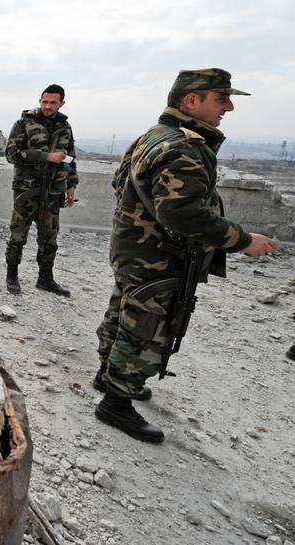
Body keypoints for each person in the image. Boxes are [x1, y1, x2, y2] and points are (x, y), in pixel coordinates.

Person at [93, 68, 278, 443]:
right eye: (221, 98)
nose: (228, 107)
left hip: (134, 248)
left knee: (124, 309)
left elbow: (120, 183)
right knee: (146, 326)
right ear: (192, 101)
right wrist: (243, 240)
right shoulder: (184, 147)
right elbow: (183, 214)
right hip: (159, 255)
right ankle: (116, 401)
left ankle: (107, 375)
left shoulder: (154, 136)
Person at [4, 84, 79, 297]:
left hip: (53, 192)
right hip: (27, 191)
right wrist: (46, 156)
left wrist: (71, 185)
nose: (48, 106)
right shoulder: (24, 123)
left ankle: (45, 279)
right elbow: (11, 154)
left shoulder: (65, 127)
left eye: (53, 102)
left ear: (61, 103)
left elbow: (70, 158)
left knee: (49, 239)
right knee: (18, 236)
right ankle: (12, 276)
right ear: (40, 101)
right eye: (44, 102)